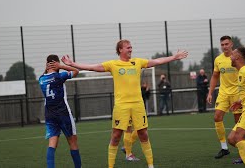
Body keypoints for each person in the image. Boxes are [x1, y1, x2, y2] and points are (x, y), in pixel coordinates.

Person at [60, 39, 188, 168]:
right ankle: (111, 166)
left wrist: (174, 57)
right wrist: (72, 63)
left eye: (131, 47)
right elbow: (92, 67)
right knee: (116, 135)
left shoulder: (138, 62)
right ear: (120, 50)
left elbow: (157, 61)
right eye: (128, 47)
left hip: (138, 104)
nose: (130, 49)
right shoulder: (113, 64)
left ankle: (150, 165)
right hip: (121, 106)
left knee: (143, 133)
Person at [39, 54, 82, 168]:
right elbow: (76, 71)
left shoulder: (41, 79)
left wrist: (51, 67)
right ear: (56, 63)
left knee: (52, 143)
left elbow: (47, 75)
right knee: (72, 142)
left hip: (49, 114)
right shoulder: (59, 76)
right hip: (63, 113)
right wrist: (62, 66)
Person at [206, 35, 242, 159]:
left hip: (237, 93)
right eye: (222, 44)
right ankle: (224, 148)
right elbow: (215, 76)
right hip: (223, 93)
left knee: (238, 122)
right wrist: (210, 93)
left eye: (227, 44)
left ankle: (243, 149)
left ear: (231, 44)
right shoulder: (218, 59)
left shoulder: (238, 57)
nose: (224, 46)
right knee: (217, 117)